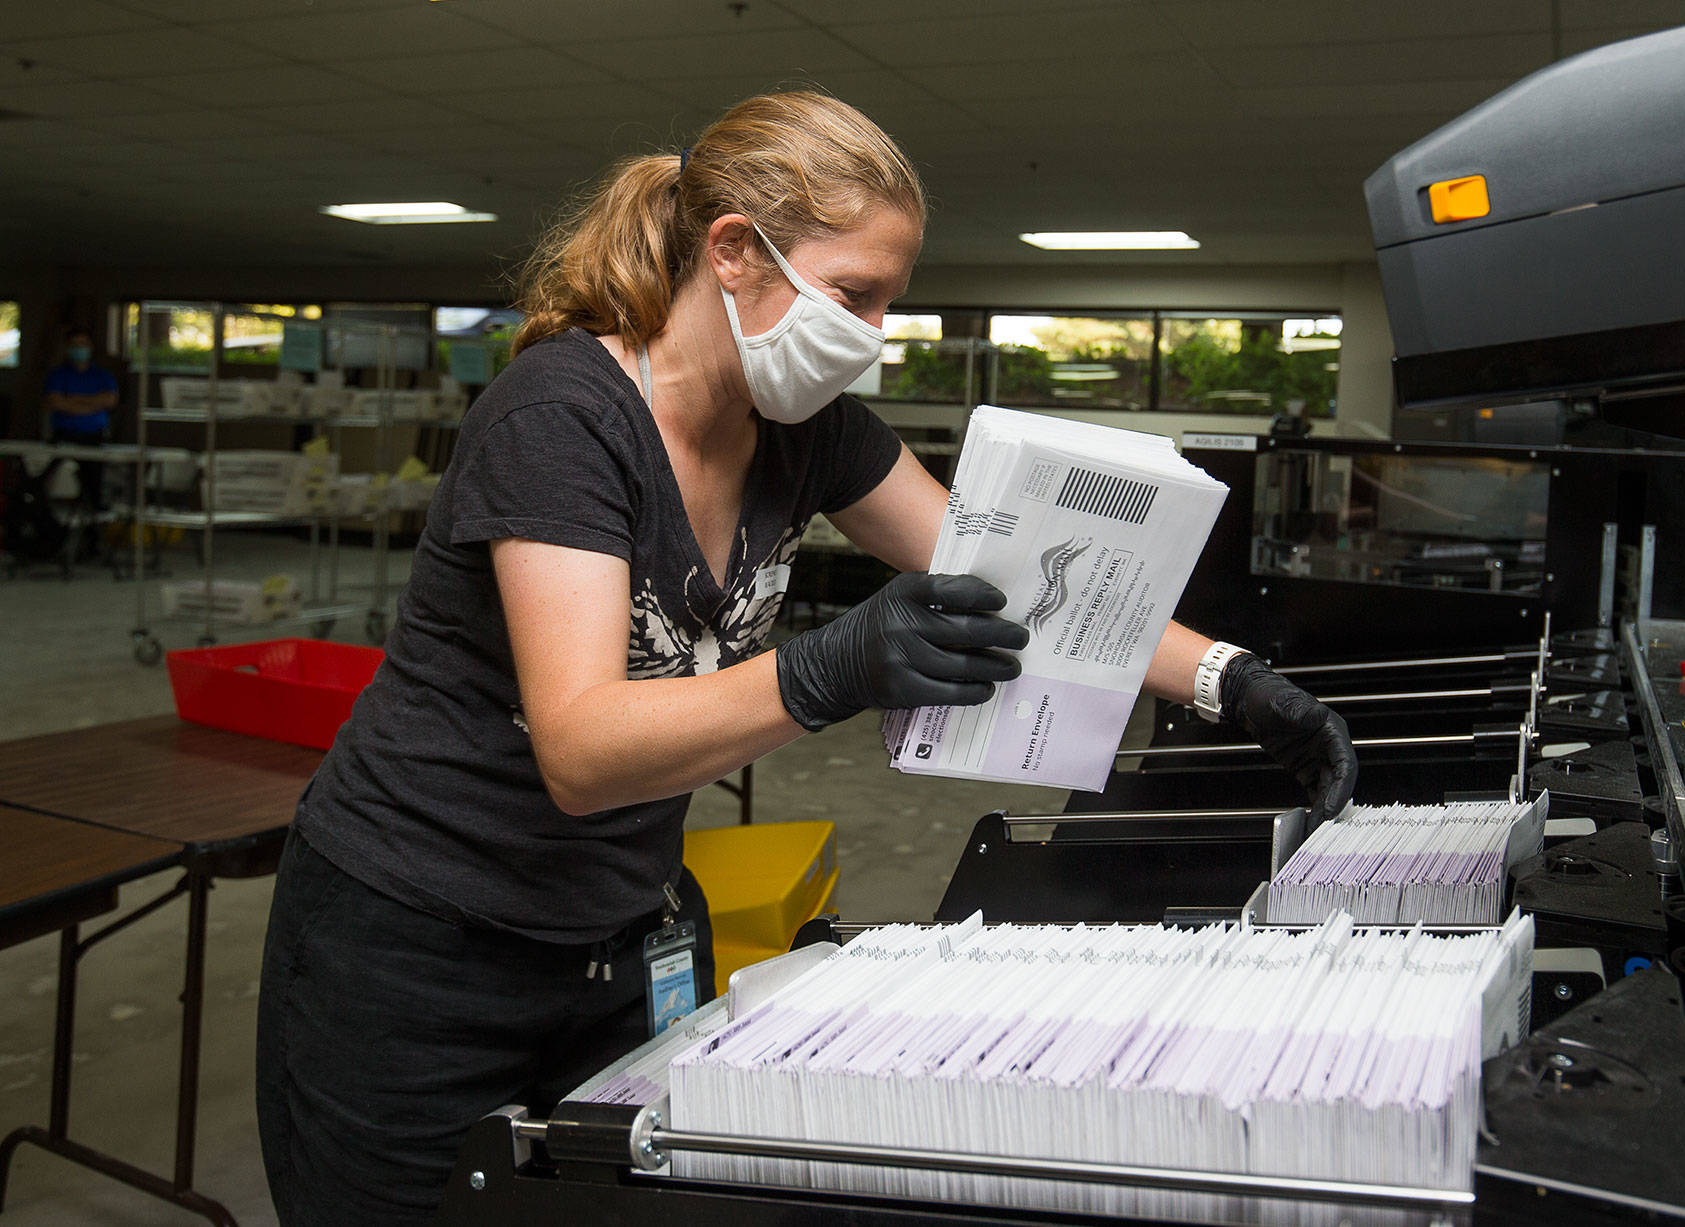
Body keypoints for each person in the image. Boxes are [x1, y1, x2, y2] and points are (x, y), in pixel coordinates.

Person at [254, 91, 1357, 1226]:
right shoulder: (562, 419)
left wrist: (1230, 679)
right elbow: (580, 748)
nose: (872, 333)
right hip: (415, 938)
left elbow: (1022, 581)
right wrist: (826, 669)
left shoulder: (805, 425)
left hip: (607, 926)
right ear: (733, 250)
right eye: (854, 294)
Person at [41, 325, 118, 522]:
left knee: (93, 484)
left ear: (90, 347)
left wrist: (73, 401)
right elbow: (56, 402)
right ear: (67, 347)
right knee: (45, 476)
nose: (79, 349)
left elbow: (109, 400)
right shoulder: (58, 375)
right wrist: (92, 402)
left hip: (94, 436)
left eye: (83, 344)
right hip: (64, 434)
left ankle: (92, 534)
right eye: (74, 345)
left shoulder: (102, 375)